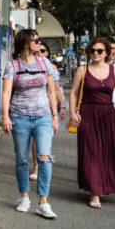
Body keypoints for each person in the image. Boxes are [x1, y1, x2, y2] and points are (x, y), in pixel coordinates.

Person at [68, 37, 115, 209]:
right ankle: (95, 193)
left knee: (106, 152)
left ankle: (103, 185)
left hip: (108, 114)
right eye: (92, 50)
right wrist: (72, 113)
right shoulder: (82, 70)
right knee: (91, 152)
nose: (95, 53)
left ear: (106, 52)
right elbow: (74, 93)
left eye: (99, 51)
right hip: (88, 114)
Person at [1, 29, 60, 219]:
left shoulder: (45, 64)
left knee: (45, 158)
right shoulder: (13, 66)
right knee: (22, 159)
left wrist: (55, 116)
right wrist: (5, 116)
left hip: (43, 116)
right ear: (26, 43)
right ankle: (24, 197)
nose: (39, 43)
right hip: (20, 116)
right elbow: (6, 93)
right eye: (36, 40)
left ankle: (43, 201)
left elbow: (51, 92)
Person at [29, 43, 66, 181]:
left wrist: (62, 106)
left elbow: (56, 89)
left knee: (45, 137)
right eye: (37, 51)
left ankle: (44, 160)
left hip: (49, 106)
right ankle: (36, 166)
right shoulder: (28, 65)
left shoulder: (52, 68)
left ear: (47, 53)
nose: (39, 53)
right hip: (34, 106)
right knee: (35, 139)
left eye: (43, 51)